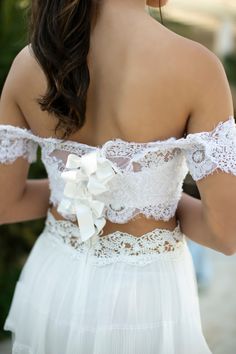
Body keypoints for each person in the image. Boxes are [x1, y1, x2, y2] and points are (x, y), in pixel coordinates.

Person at [1, 0, 236, 353]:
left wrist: (79, 195)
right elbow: (226, 233)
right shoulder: (197, 67)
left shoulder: (28, 64)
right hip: (146, 296)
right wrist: (155, 203)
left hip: (53, 280)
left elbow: (6, 204)